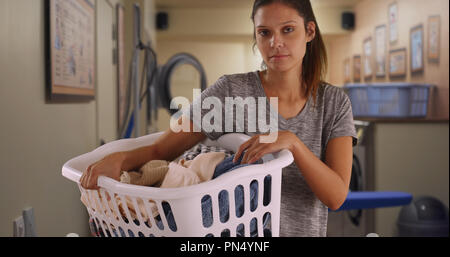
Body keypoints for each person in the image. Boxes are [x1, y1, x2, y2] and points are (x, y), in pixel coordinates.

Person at [80, 0, 357, 237]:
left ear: (309, 31)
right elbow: (162, 149)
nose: (275, 43)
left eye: (288, 30)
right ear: (256, 36)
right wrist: (118, 159)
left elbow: (335, 196)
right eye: (264, 32)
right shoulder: (230, 92)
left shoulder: (334, 103)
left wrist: (293, 143)